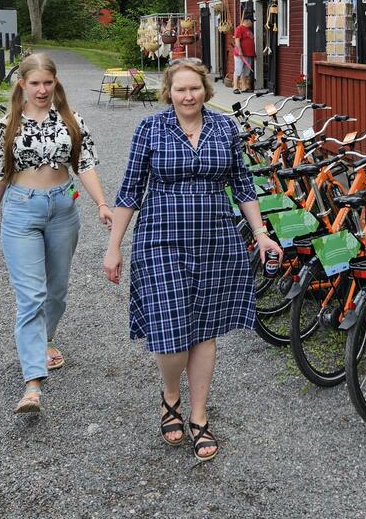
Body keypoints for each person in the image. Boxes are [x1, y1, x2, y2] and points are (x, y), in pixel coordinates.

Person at [103, 59, 281, 462]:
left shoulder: (224, 128)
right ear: (169, 92)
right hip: (160, 239)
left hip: (216, 239)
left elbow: (242, 184)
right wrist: (114, 246)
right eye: (181, 89)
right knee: (170, 333)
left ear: (205, 90)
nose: (188, 96)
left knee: (205, 330)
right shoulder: (151, 128)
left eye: (195, 89)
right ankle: (171, 394)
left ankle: (198, 415)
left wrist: (261, 234)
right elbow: (130, 189)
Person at [0, 53, 112, 414]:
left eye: (48, 82)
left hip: (62, 207)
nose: (42, 90)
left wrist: (102, 203)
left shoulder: (71, 120)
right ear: (22, 84)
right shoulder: (6, 124)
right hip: (22, 209)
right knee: (32, 295)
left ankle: (45, 339)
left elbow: (84, 164)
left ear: (56, 83)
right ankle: (32, 384)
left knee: (56, 291)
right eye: (35, 83)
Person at [232, 14, 256, 94]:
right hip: (240, 54)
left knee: (245, 72)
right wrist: (240, 50)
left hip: (249, 54)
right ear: (247, 20)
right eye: (252, 21)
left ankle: (244, 87)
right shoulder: (239, 28)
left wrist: (254, 54)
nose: (252, 23)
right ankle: (235, 87)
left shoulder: (248, 30)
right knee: (238, 70)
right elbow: (237, 40)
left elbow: (251, 42)